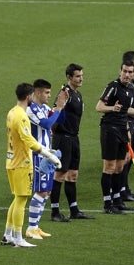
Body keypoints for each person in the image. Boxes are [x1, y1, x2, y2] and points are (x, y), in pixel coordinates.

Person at [3, 83, 63, 247]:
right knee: (21, 201)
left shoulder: (12, 112)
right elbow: (28, 140)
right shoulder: (21, 115)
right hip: (22, 162)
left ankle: (8, 235)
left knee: (17, 200)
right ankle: (18, 238)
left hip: (12, 159)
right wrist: (47, 153)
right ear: (30, 95)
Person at [96, 59, 134, 208]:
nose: (127, 74)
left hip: (123, 129)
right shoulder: (113, 86)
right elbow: (99, 106)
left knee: (120, 165)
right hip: (110, 129)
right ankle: (107, 203)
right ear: (120, 71)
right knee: (109, 167)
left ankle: (117, 200)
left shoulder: (131, 88)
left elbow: (127, 110)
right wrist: (112, 108)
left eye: (130, 72)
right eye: (124, 71)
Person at [49, 63, 93, 221]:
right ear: (69, 77)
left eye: (81, 75)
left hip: (74, 138)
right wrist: (57, 136)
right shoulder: (64, 94)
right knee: (59, 175)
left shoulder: (77, 94)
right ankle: (54, 212)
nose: (81, 78)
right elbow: (55, 115)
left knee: (73, 175)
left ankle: (74, 210)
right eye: (77, 76)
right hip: (63, 139)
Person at [25, 79, 66, 239]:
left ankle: (35, 226)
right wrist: (59, 108)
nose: (49, 95)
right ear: (38, 92)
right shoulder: (31, 110)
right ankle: (31, 228)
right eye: (47, 92)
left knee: (47, 191)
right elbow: (47, 124)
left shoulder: (44, 108)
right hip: (37, 155)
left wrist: (61, 106)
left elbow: (59, 121)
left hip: (48, 154)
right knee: (41, 191)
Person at [118, 51, 134, 204]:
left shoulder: (132, 86)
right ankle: (121, 191)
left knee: (131, 159)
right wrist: (131, 129)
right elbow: (126, 112)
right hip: (126, 129)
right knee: (126, 160)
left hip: (132, 128)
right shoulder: (125, 88)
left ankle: (125, 188)